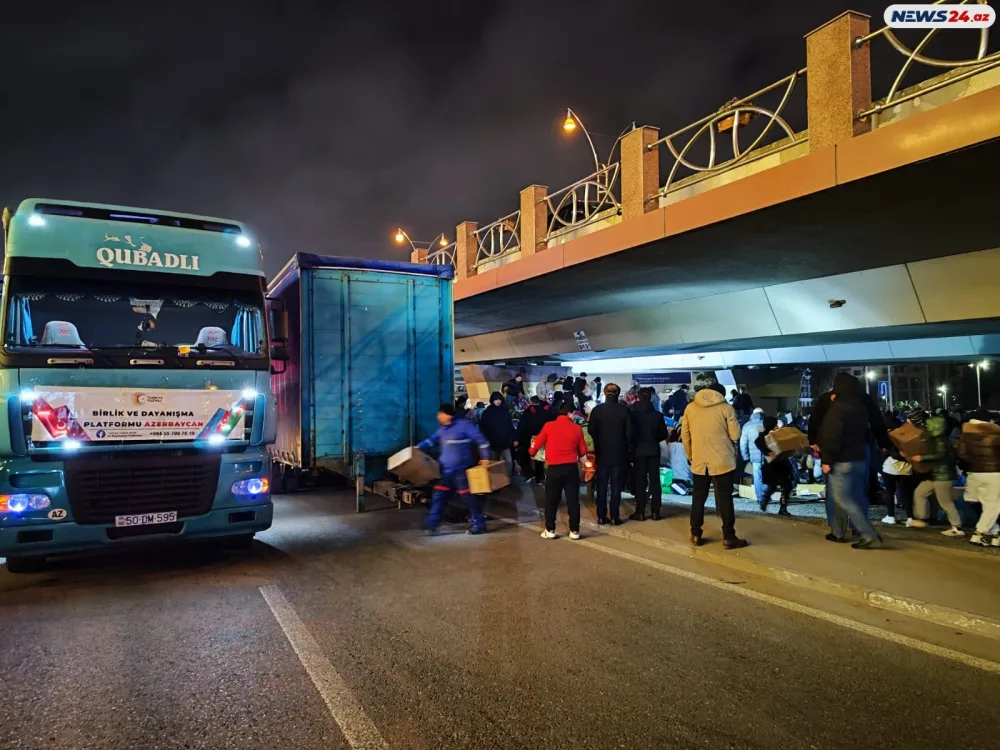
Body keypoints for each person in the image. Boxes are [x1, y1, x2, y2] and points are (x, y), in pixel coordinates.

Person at [818, 374, 882, 549]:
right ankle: (858, 530)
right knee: (856, 495)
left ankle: (866, 533)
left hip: (842, 461)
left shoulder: (837, 409)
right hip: (860, 458)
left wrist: (826, 460)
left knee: (841, 498)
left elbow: (832, 437)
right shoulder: (860, 408)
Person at [681, 382, 747, 548]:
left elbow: (685, 435)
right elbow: (735, 434)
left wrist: (691, 456)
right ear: (721, 394)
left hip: (699, 461)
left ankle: (695, 533)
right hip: (723, 460)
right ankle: (729, 535)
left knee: (698, 497)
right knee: (725, 498)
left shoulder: (691, 408)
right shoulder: (726, 408)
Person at [418, 404, 492, 535]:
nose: (438, 417)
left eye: (440, 414)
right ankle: (432, 525)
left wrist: (485, 457)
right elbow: (431, 441)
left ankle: (479, 525)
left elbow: (481, 440)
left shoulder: (464, 426)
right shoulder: (443, 429)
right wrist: (417, 448)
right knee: (439, 496)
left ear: (447, 415)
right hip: (446, 472)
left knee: (467, 498)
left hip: (461, 471)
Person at [530, 400, 588, 540]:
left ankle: (550, 529)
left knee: (551, 501)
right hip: (571, 469)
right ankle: (574, 531)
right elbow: (582, 451)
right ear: (569, 413)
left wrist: (532, 452)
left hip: (554, 469)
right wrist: (587, 464)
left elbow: (534, 447)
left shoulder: (548, 426)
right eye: (573, 413)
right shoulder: (577, 429)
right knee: (573, 501)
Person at [908, 414, 963, 537]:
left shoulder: (940, 440)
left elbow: (940, 455)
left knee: (945, 501)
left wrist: (921, 457)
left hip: (943, 475)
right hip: (936, 474)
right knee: (919, 493)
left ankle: (956, 526)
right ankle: (921, 519)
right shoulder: (937, 439)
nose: (925, 427)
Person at [587, 383, 633, 525]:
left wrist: (599, 441)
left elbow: (590, 430)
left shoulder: (597, 410)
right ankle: (614, 516)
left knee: (601, 485)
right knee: (616, 486)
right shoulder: (624, 410)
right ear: (618, 394)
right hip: (619, 453)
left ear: (605, 394)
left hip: (602, 453)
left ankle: (601, 516)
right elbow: (630, 433)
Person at [958, 414, 1000, 547]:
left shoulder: (966, 436)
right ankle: (979, 534)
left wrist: (974, 463)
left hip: (975, 472)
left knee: (985, 504)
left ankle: (996, 534)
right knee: (994, 506)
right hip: (994, 472)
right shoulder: (994, 434)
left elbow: (961, 454)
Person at [629, 388, 670, 521]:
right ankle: (655, 512)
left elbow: (630, 433)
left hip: (639, 450)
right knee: (655, 481)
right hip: (653, 450)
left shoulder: (633, 414)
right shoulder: (657, 415)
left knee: (640, 481)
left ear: (638, 398)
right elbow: (663, 434)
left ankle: (640, 511)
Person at [755, 416, 794, 516]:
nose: (777, 426)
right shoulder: (767, 435)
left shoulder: (774, 434)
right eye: (775, 424)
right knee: (778, 486)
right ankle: (775, 505)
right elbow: (758, 442)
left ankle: (776, 505)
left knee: (782, 486)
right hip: (775, 465)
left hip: (778, 464)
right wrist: (768, 452)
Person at [479, 391, 516, 477]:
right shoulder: (487, 412)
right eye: (496, 399)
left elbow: (510, 425)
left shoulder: (504, 411)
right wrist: (486, 439)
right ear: (492, 400)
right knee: (494, 463)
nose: (498, 401)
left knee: (509, 462)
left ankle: (507, 477)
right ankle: (496, 480)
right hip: (493, 443)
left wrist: (514, 438)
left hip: (505, 442)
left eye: (499, 399)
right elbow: (483, 427)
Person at [517, 396, 548, 485]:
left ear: (531, 402)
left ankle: (530, 474)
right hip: (542, 437)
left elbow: (522, 425)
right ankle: (540, 477)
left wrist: (519, 437)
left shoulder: (527, 412)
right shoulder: (544, 411)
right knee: (539, 458)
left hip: (529, 438)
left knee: (528, 456)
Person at [740, 408, 766, 507]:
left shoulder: (747, 426)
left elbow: (743, 444)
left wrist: (746, 457)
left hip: (754, 457)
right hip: (768, 455)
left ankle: (760, 498)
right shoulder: (767, 423)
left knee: (757, 477)